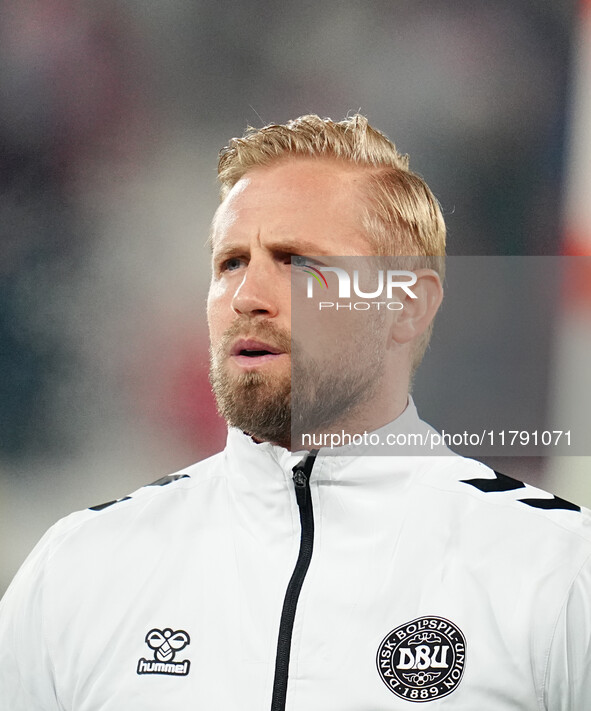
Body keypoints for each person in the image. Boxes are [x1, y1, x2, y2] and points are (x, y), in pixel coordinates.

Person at [0, 114, 590, 710]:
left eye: (294, 261)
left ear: (408, 306)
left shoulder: (557, 570)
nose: (246, 297)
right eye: (230, 262)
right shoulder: (78, 568)